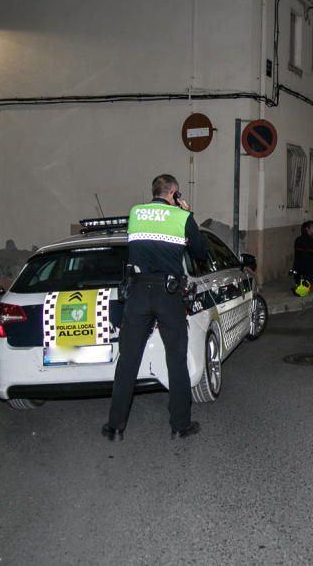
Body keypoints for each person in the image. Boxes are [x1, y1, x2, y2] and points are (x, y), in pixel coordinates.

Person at [102, 174, 208, 442]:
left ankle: (115, 427)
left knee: (127, 360)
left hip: (137, 292)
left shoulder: (136, 213)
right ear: (174, 193)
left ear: (155, 191)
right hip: (168, 293)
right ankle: (180, 425)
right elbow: (199, 252)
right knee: (176, 359)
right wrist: (187, 213)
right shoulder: (180, 217)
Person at [292, 220, 313, 291]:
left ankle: (302, 282)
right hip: (309, 269)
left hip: (298, 269)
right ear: (307, 229)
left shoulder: (298, 239)